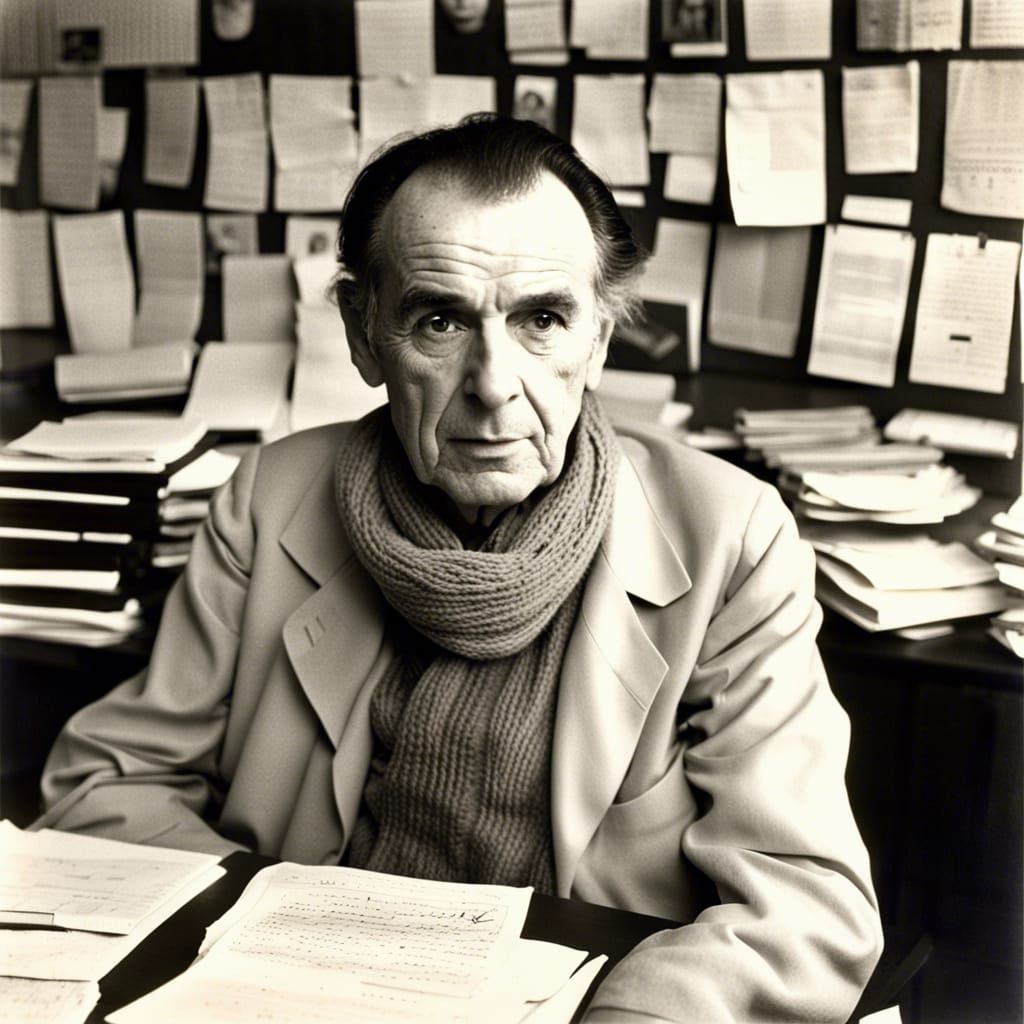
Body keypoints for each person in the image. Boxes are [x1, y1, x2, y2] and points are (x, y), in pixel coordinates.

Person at [36, 115, 882, 1021]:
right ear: (365, 336)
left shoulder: (729, 536)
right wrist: (253, 953)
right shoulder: (270, 499)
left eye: (543, 319)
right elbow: (104, 788)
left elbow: (806, 905)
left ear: (599, 338)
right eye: (439, 319)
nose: (492, 382)